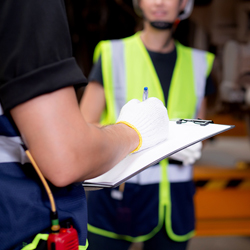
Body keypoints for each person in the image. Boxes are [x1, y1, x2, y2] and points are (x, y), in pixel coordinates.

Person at [0, 1, 169, 249]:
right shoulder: (29, 6)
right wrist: (135, 130)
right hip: (24, 231)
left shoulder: (198, 61)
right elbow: (66, 158)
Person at [80, 0, 215, 249]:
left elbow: (201, 130)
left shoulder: (199, 62)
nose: (160, 2)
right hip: (118, 196)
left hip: (174, 201)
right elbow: (85, 127)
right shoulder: (112, 54)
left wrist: (194, 143)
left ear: (184, 3)